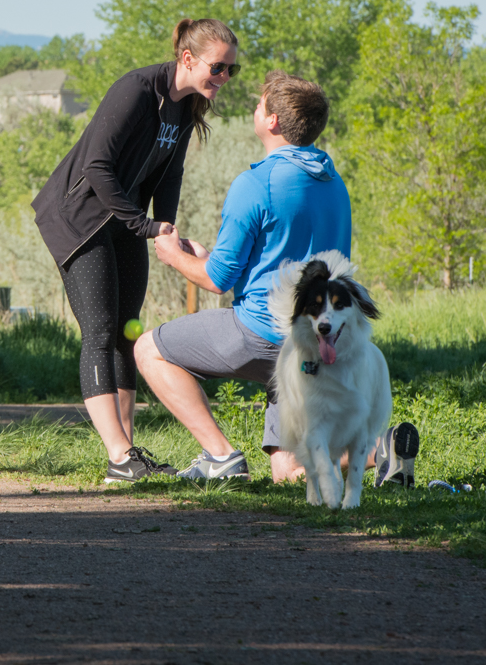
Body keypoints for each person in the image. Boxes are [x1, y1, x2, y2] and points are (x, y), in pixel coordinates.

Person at [135, 71, 418, 483]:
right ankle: (381, 451)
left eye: (259, 103)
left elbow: (217, 281)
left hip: (262, 336)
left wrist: (173, 255)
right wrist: (209, 257)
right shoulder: (333, 183)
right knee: (288, 471)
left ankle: (220, 456)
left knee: (149, 350)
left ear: (272, 121)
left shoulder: (255, 184)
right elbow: (286, 257)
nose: (255, 108)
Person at [32, 18, 241, 483]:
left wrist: (166, 229)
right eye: (218, 67)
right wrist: (144, 225)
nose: (225, 77)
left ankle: (129, 455)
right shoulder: (136, 90)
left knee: (127, 332)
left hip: (125, 221)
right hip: (79, 218)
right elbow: (96, 166)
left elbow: (169, 176)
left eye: (232, 69)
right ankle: (118, 456)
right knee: (100, 331)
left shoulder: (186, 106)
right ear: (188, 59)